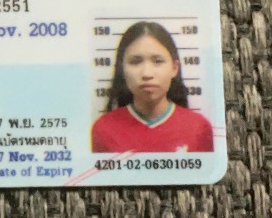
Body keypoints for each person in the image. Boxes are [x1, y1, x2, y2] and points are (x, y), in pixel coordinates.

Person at [90, 21, 214, 153]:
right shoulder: (104, 129)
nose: (147, 73)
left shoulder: (198, 128)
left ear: (174, 68)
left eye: (158, 61)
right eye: (135, 62)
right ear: (122, 69)